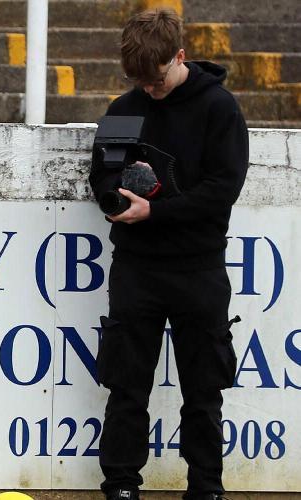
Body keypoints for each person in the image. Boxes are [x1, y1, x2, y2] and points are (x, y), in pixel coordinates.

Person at [89, 8, 249, 500]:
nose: (150, 90)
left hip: (198, 269)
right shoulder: (123, 108)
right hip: (136, 269)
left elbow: (223, 189)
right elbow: (101, 177)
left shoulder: (219, 109)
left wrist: (155, 214)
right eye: (140, 82)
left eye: (157, 81)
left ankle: (206, 488)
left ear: (179, 57)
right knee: (126, 389)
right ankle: (120, 487)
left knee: (203, 394)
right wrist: (117, 202)